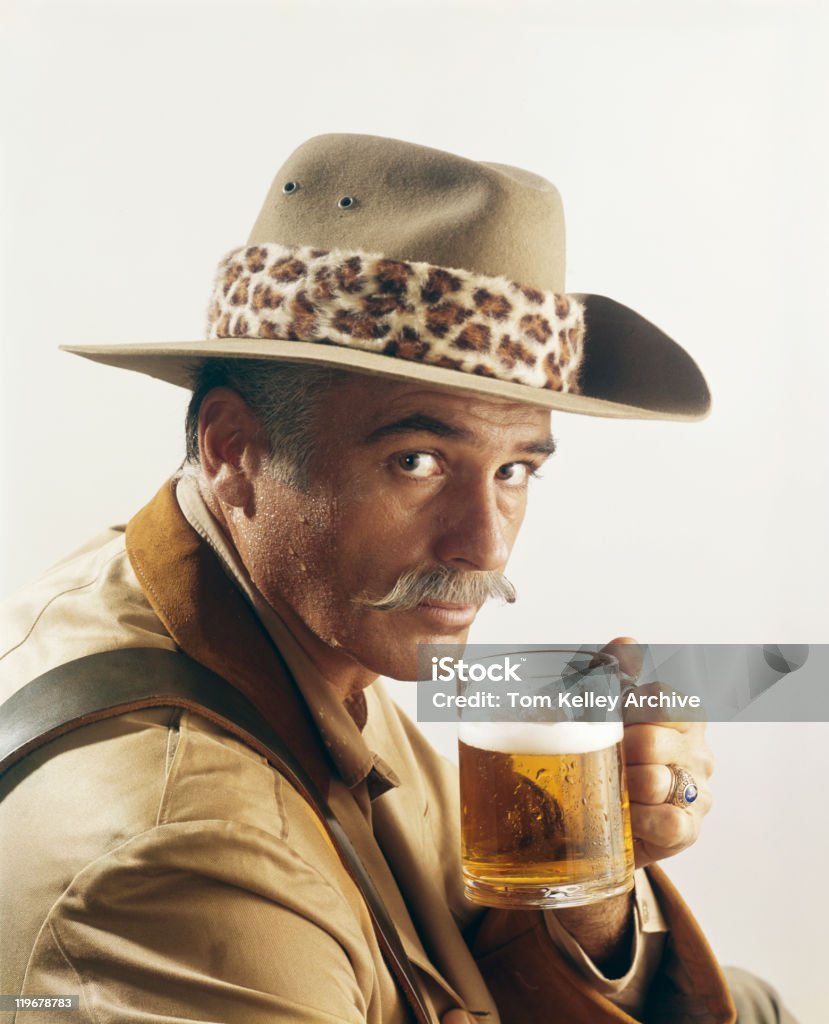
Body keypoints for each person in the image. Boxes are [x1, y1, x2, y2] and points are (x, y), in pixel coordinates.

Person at [0, 134, 794, 1023]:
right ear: (233, 451)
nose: (484, 547)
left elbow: (459, 949)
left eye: (515, 470)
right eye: (416, 459)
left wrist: (585, 874)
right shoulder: (182, 858)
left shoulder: (279, 625)